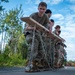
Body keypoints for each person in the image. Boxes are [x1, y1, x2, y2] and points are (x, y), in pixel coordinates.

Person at [24, 2, 49, 71]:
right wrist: (33, 28)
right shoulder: (33, 15)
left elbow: (47, 24)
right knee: (34, 43)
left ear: (45, 10)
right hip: (30, 32)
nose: (41, 11)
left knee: (42, 48)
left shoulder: (45, 17)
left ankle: (35, 63)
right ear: (38, 8)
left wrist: (48, 29)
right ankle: (29, 63)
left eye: (43, 9)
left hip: (37, 33)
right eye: (40, 9)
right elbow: (27, 27)